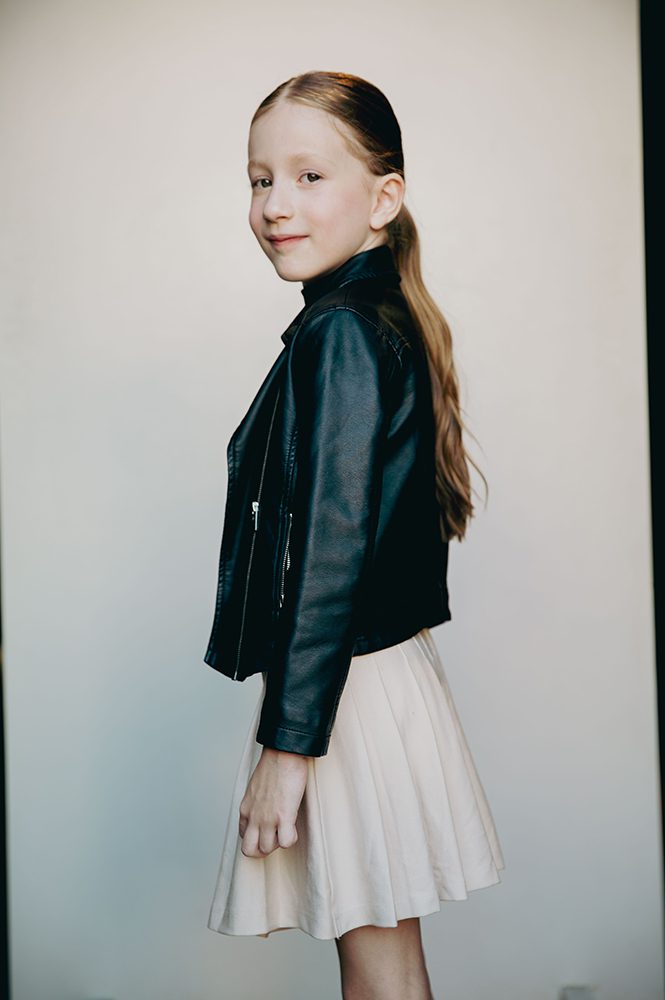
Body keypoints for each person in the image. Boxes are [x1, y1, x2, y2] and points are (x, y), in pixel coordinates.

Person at [204, 70, 505, 1000]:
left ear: (383, 200)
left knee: (378, 977)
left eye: (308, 176)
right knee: (391, 968)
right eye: (260, 179)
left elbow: (331, 551)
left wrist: (289, 747)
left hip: (341, 691)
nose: (275, 205)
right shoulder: (368, 319)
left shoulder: (340, 333)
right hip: (371, 674)